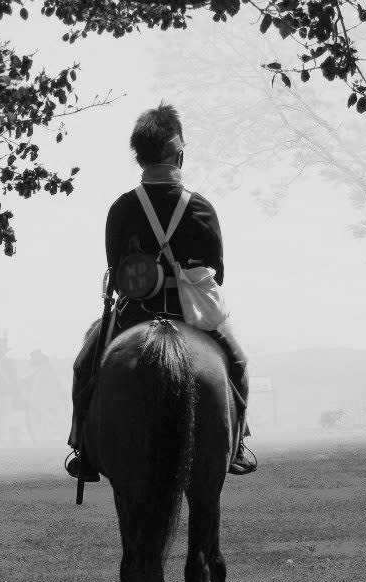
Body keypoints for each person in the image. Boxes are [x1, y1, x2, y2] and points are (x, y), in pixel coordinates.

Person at [66, 102, 257, 481]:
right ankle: (236, 446)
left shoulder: (122, 208)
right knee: (236, 364)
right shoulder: (200, 207)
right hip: (192, 315)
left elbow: (115, 269)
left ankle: (83, 448)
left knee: (84, 366)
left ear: (141, 157)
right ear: (177, 152)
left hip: (135, 312)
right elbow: (217, 271)